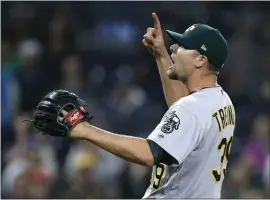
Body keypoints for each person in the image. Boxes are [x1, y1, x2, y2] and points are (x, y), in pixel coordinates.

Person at [32, 13, 236, 198]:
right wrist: (161, 55)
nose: (173, 47)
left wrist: (84, 129)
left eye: (182, 46)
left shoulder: (193, 109)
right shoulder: (221, 100)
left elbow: (149, 154)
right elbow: (182, 108)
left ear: (201, 60)